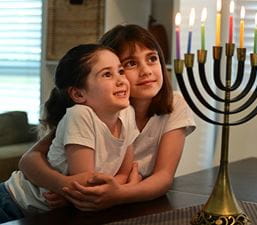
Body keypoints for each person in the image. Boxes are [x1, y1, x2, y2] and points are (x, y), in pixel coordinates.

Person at [19, 24, 196, 212]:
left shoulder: (174, 104)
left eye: (152, 59)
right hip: (41, 203)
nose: (146, 71)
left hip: (115, 204)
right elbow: (29, 160)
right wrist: (65, 188)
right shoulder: (93, 110)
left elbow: (164, 177)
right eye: (130, 63)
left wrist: (119, 193)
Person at [0, 44, 139, 223]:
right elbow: (85, 185)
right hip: (12, 203)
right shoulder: (80, 115)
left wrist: (116, 189)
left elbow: (124, 172)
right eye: (107, 74)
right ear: (78, 94)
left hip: (46, 215)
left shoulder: (127, 113)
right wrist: (121, 188)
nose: (121, 80)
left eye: (120, 71)